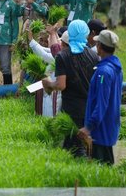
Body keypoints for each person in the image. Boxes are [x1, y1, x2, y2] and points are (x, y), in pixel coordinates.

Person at [42, 20, 99, 157]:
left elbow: (61, 85)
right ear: (85, 34)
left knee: (73, 149)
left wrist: (48, 84)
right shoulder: (93, 55)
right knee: (85, 148)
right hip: (89, 108)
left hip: (71, 110)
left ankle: (77, 176)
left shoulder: (63, 56)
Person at [78, 30, 123, 165]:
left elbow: (101, 103)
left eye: (97, 43)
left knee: (101, 167)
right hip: (109, 125)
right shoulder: (116, 68)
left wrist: (88, 127)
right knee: (106, 164)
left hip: (100, 129)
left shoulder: (103, 72)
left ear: (100, 47)